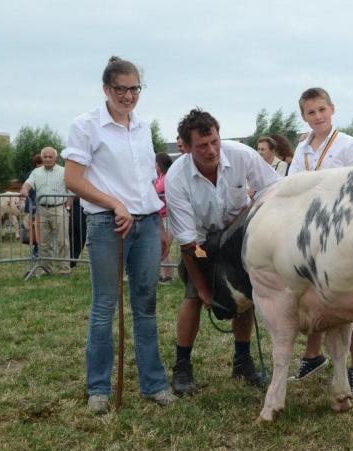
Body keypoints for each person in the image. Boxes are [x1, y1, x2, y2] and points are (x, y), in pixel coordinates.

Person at [63, 56, 175, 413]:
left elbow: (146, 181)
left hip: (147, 224)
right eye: (121, 89)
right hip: (108, 225)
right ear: (106, 89)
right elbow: (73, 179)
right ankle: (98, 389)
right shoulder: (86, 125)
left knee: (146, 306)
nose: (128, 96)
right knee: (104, 307)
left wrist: (159, 223)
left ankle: (154, 384)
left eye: (134, 89)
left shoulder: (142, 127)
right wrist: (115, 204)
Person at [166, 108, 279, 396]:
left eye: (214, 141)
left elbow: (274, 190)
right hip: (200, 244)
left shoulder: (241, 154)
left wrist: (250, 217)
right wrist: (204, 290)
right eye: (202, 146)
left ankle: (242, 361)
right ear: (186, 147)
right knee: (193, 297)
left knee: (245, 296)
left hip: (239, 235)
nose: (211, 150)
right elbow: (188, 244)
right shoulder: (176, 177)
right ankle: (182, 366)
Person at [287, 87, 353, 398]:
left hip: (342, 230)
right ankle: (313, 357)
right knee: (314, 294)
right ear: (304, 116)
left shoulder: (349, 144)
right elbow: (292, 184)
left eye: (322, 110)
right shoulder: (302, 149)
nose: (318, 116)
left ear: (332, 109)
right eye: (311, 112)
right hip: (310, 231)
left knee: (350, 299)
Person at [21, 147, 71, 276]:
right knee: (43, 242)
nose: (48, 159)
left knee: (62, 241)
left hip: (59, 208)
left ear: (56, 158)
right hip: (41, 209)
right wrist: (24, 190)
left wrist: (68, 207)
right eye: (45, 157)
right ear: (42, 158)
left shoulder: (64, 171)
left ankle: (64, 269)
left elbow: (71, 189)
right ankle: (46, 269)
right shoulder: (36, 172)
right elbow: (28, 184)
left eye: (50, 157)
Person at [154, 152, 174, 284]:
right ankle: (165, 274)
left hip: (167, 217)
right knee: (163, 247)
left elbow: (154, 190)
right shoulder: (160, 177)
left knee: (164, 247)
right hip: (162, 217)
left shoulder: (166, 178)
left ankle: (166, 276)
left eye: (155, 163)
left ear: (159, 164)